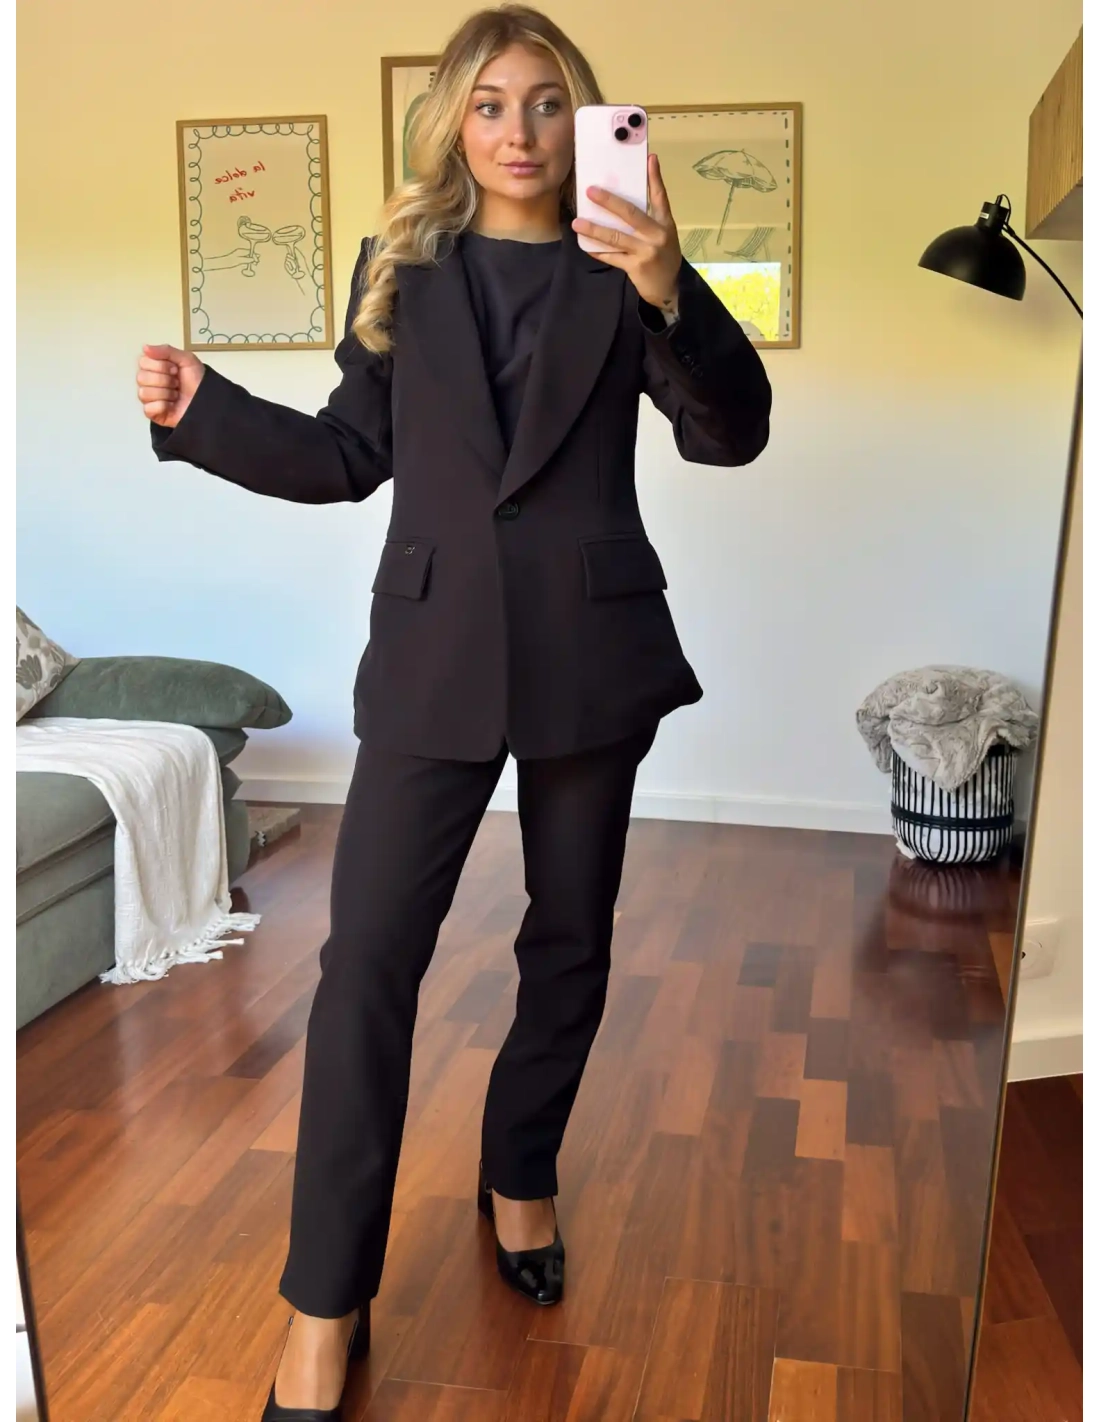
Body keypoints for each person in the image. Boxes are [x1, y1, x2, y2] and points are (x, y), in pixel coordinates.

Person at [135, 7, 771, 1418]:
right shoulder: (403, 268)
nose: (520, 131)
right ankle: (324, 1300)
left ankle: (521, 1172)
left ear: (584, 120)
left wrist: (670, 284)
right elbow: (345, 453)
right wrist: (201, 412)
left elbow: (730, 434)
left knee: (569, 942)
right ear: (453, 125)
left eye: (547, 103)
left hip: (592, 652)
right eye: (490, 105)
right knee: (365, 962)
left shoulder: (628, 266)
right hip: (433, 657)